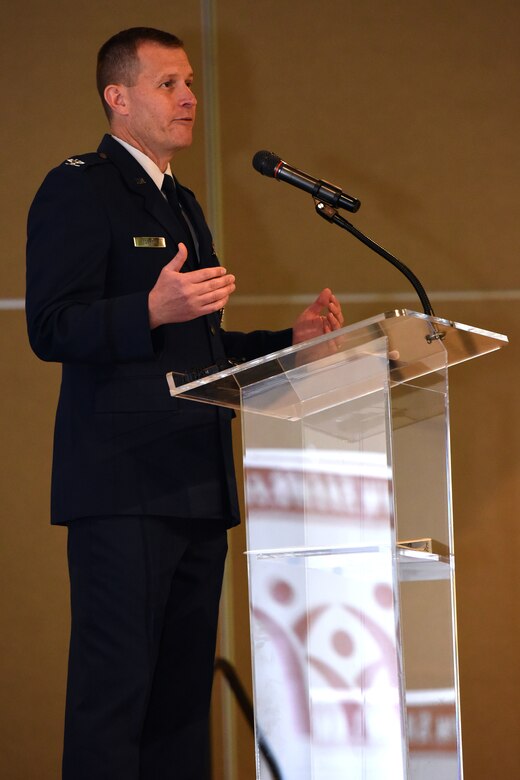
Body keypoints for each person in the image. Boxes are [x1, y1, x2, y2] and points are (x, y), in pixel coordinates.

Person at [25, 27, 344, 780]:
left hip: (196, 486)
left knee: (178, 713)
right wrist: (147, 309)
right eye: (167, 83)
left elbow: (198, 349)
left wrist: (290, 343)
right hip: (124, 488)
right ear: (118, 97)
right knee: (115, 705)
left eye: (190, 82)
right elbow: (51, 326)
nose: (189, 97)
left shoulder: (181, 202)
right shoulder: (80, 187)